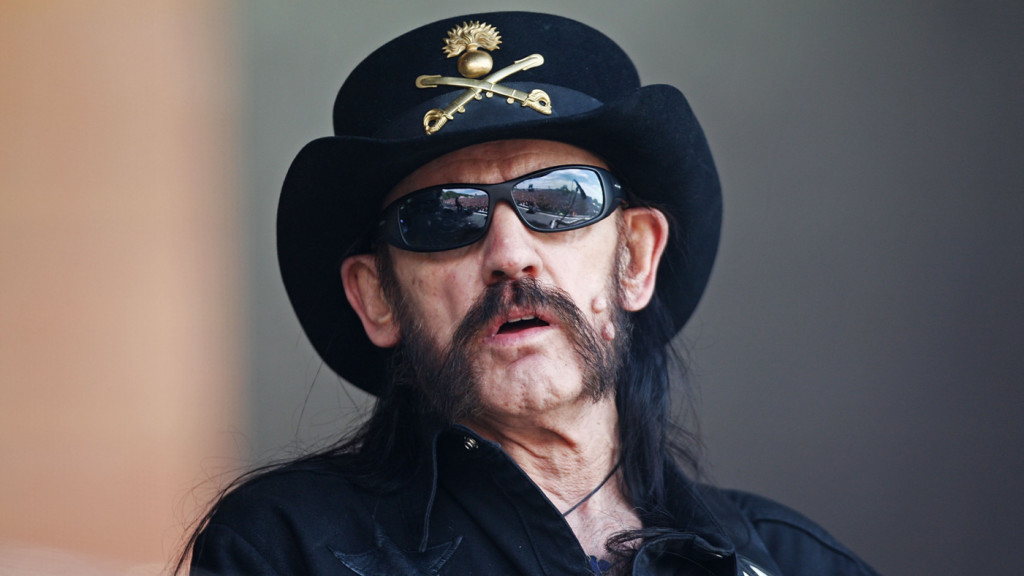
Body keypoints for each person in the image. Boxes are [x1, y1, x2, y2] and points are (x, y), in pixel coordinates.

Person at [181, 12, 881, 576]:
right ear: (377, 298)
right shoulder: (285, 551)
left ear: (635, 258)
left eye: (560, 199)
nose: (510, 256)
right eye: (445, 215)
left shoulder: (793, 564)